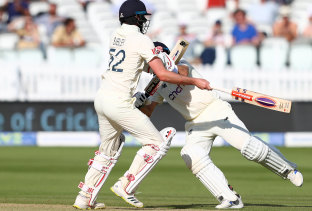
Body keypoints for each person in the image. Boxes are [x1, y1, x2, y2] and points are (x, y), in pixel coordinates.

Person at [72, 0, 211, 210]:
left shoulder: (115, 34)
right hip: (118, 102)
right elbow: (161, 74)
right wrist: (195, 81)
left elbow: (137, 65)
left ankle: (84, 198)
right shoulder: (141, 39)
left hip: (102, 98)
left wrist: (158, 61)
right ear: (136, 17)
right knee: (157, 143)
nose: (145, 20)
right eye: (143, 17)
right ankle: (125, 185)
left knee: (107, 151)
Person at [134, 41, 304, 209]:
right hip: (195, 123)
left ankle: (288, 170)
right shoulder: (157, 86)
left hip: (216, 110)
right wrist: (139, 104)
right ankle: (231, 199)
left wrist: (168, 68)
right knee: (190, 154)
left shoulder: (181, 64)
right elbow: (148, 112)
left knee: (250, 149)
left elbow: (183, 73)